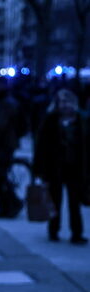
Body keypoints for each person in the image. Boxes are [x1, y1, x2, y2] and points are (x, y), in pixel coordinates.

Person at [33, 89, 89, 245]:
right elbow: (41, 146)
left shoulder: (82, 121)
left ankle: (76, 233)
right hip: (54, 167)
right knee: (54, 201)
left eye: (68, 102)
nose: (65, 106)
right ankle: (53, 230)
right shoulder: (50, 120)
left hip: (76, 167)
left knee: (75, 202)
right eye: (62, 102)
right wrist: (38, 170)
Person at [0, 85, 24, 219]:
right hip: (6, 144)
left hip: (4, 145)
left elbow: (0, 125)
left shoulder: (6, 104)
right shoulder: (6, 102)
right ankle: (6, 207)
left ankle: (12, 204)